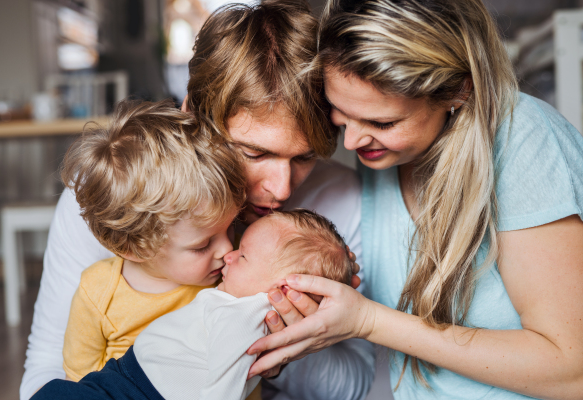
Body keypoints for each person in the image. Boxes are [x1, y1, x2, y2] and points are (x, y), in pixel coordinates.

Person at [20, 2, 376, 400]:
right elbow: (47, 367)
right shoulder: (117, 193)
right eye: (254, 153)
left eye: (305, 156)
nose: (282, 189)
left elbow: (353, 385)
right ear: (193, 113)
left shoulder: (340, 198)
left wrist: (283, 344)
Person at [247, 0, 583, 399]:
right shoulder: (388, 156)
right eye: (340, 113)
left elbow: (572, 370)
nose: (351, 141)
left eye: (382, 122)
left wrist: (367, 319)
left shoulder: (522, 140)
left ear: (459, 90)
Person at [32, 210, 355, 400]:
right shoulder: (234, 298)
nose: (228, 253)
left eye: (241, 255)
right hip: (127, 377)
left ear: (283, 288)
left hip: (140, 390)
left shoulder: (246, 316)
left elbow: (224, 386)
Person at [58, 99, 244, 382]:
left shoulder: (232, 278)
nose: (228, 249)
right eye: (202, 245)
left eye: (230, 229)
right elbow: (80, 381)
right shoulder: (98, 293)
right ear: (132, 247)